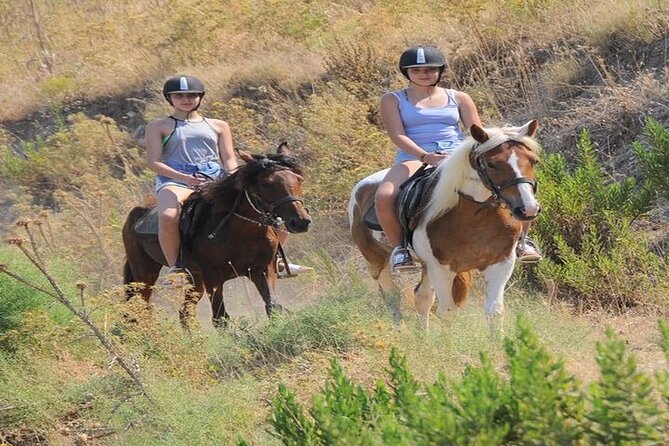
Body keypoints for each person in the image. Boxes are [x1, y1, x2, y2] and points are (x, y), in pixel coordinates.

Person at [375, 46, 541, 273]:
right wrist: (425, 156)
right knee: (385, 196)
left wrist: (508, 137)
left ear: (440, 71)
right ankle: (401, 249)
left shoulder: (459, 97)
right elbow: (398, 134)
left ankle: (523, 240)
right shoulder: (392, 99)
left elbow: (478, 133)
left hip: (457, 156)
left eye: (431, 69)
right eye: (417, 70)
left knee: (517, 184)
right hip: (414, 157)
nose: (424, 74)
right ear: (406, 72)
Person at [146, 75, 312, 281]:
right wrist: (184, 177)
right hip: (175, 180)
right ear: (169, 98)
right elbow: (153, 162)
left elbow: (228, 158)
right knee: (168, 216)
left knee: (267, 209)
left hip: (215, 178)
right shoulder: (159, 126)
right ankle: (177, 269)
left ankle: (275, 258)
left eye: (191, 95)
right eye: (179, 95)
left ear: (200, 97)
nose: (186, 99)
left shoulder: (218, 125)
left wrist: (232, 179)